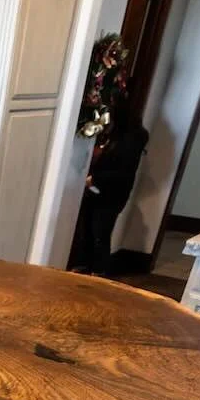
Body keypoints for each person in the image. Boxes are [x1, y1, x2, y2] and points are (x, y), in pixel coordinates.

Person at [75, 101, 149, 275]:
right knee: (86, 230)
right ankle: (83, 266)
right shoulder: (113, 134)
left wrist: (96, 179)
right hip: (97, 190)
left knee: (100, 233)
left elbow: (124, 172)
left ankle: (99, 272)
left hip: (112, 194)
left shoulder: (132, 138)